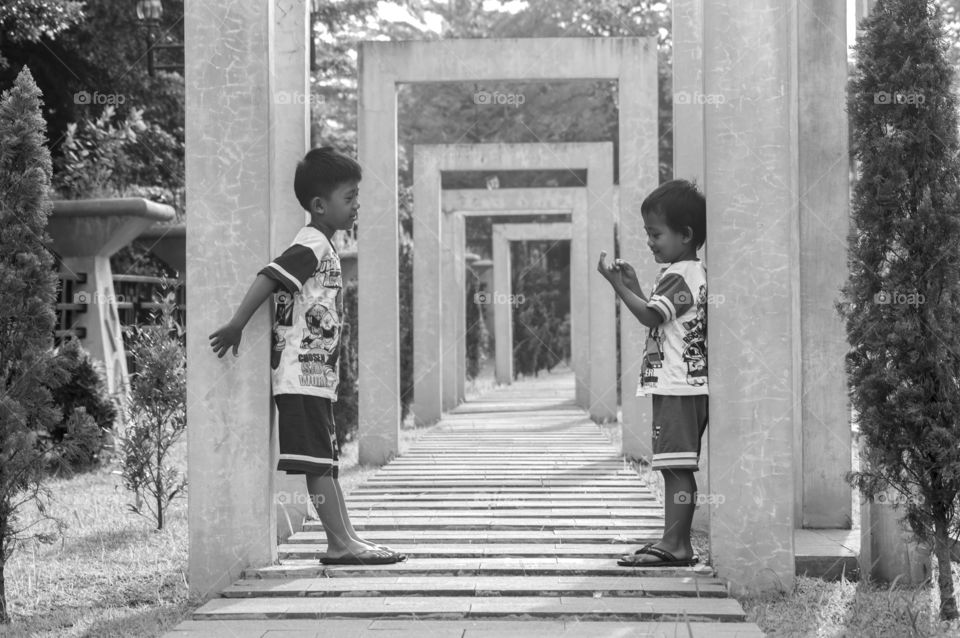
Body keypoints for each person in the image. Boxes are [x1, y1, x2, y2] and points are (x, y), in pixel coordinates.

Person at [208, 147, 406, 565]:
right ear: (320, 205)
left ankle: (347, 537)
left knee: (327, 461)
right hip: (300, 376)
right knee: (317, 462)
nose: (357, 206)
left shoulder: (324, 245)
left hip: (317, 377)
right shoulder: (312, 243)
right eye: (349, 198)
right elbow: (269, 275)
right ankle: (339, 544)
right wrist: (237, 323)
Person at [597, 179, 707, 567]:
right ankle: (671, 539)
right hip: (679, 384)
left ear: (686, 234)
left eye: (656, 233)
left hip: (681, 386)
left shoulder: (683, 275)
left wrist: (616, 286)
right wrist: (636, 285)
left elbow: (647, 315)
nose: (649, 242)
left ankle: (677, 544)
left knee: (675, 467)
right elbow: (660, 314)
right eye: (648, 233)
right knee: (671, 466)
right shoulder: (681, 274)